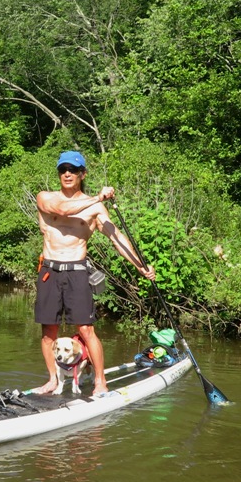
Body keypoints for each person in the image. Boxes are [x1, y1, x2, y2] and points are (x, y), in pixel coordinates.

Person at [34, 150, 155, 396]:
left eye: (73, 170)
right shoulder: (46, 197)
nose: (67, 174)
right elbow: (64, 209)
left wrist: (140, 265)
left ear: (82, 174)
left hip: (77, 272)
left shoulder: (96, 209)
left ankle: (100, 381)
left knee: (86, 329)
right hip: (49, 271)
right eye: (63, 169)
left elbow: (116, 238)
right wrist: (98, 197)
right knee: (48, 332)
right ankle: (52, 380)